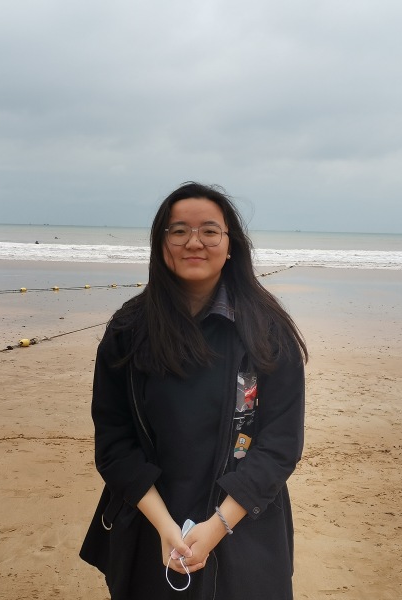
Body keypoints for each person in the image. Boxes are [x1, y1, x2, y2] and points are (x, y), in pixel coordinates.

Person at [80, 182, 308, 599]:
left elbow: (280, 444)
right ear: (161, 243)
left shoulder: (267, 330)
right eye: (179, 230)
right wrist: (166, 527)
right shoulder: (129, 330)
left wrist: (219, 525)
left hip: (245, 523)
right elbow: (113, 441)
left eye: (209, 231)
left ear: (230, 244)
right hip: (150, 522)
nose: (194, 242)